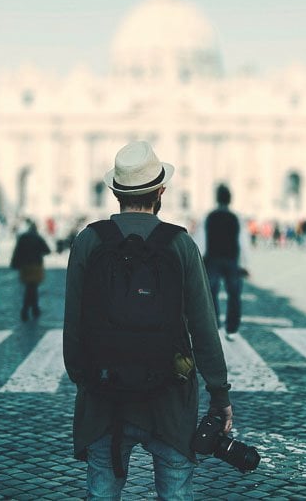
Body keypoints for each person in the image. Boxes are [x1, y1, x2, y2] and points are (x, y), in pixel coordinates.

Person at [64, 140, 233, 499]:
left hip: (104, 397)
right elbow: (203, 327)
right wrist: (219, 393)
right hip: (169, 398)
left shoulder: (88, 241)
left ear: (115, 192)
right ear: (161, 191)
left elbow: (73, 327)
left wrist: (87, 381)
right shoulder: (181, 244)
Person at [202, 184, 250, 340]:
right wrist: (245, 264)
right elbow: (243, 242)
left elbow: (201, 240)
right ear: (230, 199)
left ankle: (215, 325)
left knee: (211, 293)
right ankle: (232, 329)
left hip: (212, 259)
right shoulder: (236, 217)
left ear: (217, 198)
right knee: (234, 295)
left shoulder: (209, 216)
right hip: (231, 259)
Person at [10, 220, 51, 321]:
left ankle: (31, 308)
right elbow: (47, 250)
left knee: (30, 287)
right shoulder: (38, 238)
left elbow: (17, 251)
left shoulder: (23, 237)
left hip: (25, 265)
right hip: (36, 265)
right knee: (33, 287)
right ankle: (31, 308)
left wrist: (14, 262)